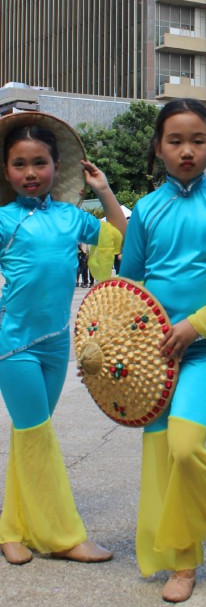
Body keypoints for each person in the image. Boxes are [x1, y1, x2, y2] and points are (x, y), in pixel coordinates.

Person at [119, 99, 206, 602]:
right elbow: (129, 282)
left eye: (197, 141)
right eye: (175, 140)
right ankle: (184, 560)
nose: (186, 150)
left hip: (203, 350)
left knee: (185, 447)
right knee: (162, 457)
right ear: (158, 148)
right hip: (154, 354)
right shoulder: (147, 211)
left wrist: (197, 325)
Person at [0, 112, 126, 566]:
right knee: (37, 436)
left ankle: (13, 530)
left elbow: (123, 237)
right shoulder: (3, 220)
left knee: (30, 436)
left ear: (57, 166)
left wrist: (104, 190)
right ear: (6, 170)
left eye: (39, 163)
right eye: (19, 164)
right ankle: (63, 535)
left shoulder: (72, 218)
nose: (30, 173)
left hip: (56, 344)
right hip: (12, 345)